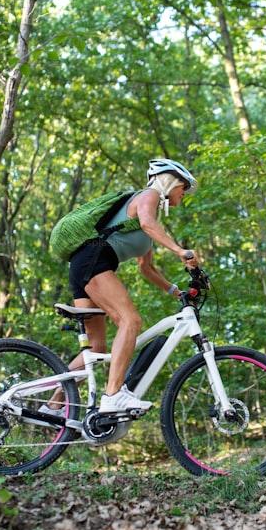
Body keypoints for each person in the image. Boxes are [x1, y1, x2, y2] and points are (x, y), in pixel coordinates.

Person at [45, 158, 199, 415]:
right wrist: (179, 250)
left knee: (97, 348)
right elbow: (149, 224)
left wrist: (175, 291)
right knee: (130, 321)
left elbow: (146, 269)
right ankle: (113, 396)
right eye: (182, 187)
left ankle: (53, 405)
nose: (183, 193)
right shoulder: (148, 196)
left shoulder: (145, 220)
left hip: (85, 266)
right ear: (169, 180)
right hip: (94, 261)